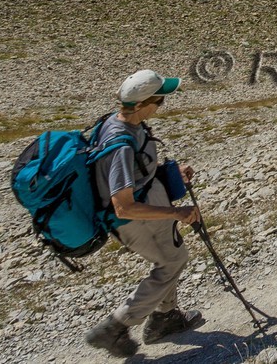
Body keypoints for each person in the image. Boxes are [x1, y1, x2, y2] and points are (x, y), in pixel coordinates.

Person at [83, 71, 203, 359]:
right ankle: (117, 325)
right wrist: (176, 212)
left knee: (172, 257)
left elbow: (138, 174)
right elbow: (123, 205)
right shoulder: (120, 144)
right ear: (140, 104)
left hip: (152, 209)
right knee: (172, 261)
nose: (162, 104)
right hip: (136, 220)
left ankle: (166, 317)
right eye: (159, 100)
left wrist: (171, 173)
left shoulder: (124, 124)